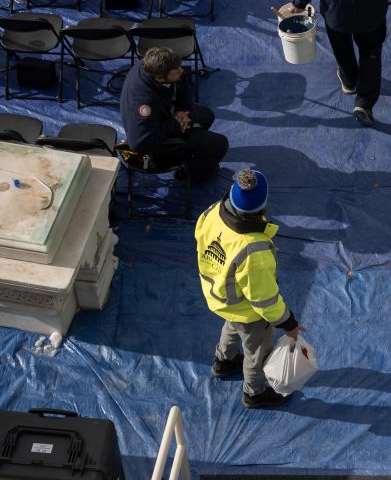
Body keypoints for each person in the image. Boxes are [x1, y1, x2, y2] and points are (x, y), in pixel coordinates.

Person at [195, 169, 304, 408]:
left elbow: (200, 240)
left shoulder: (213, 212)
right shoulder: (254, 249)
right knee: (257, 352)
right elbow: (264, 299)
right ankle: (254, 393)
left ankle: (223, 362)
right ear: (263, 207)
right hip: (249, 312)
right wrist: (288, 323)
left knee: (232, 326)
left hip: (221, 297)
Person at [119, 46, 228, 182]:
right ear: (159, 78)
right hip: (156, 137)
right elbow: (139, 142)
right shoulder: (143, 103)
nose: (181, 71)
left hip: (168, 115)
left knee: (207, 115)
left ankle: (194, 151)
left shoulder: (157, 67)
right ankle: (188, 177)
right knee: (220, 144)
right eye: (177, 71)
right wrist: (176, 123)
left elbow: (184, 86)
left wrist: (182, 110)